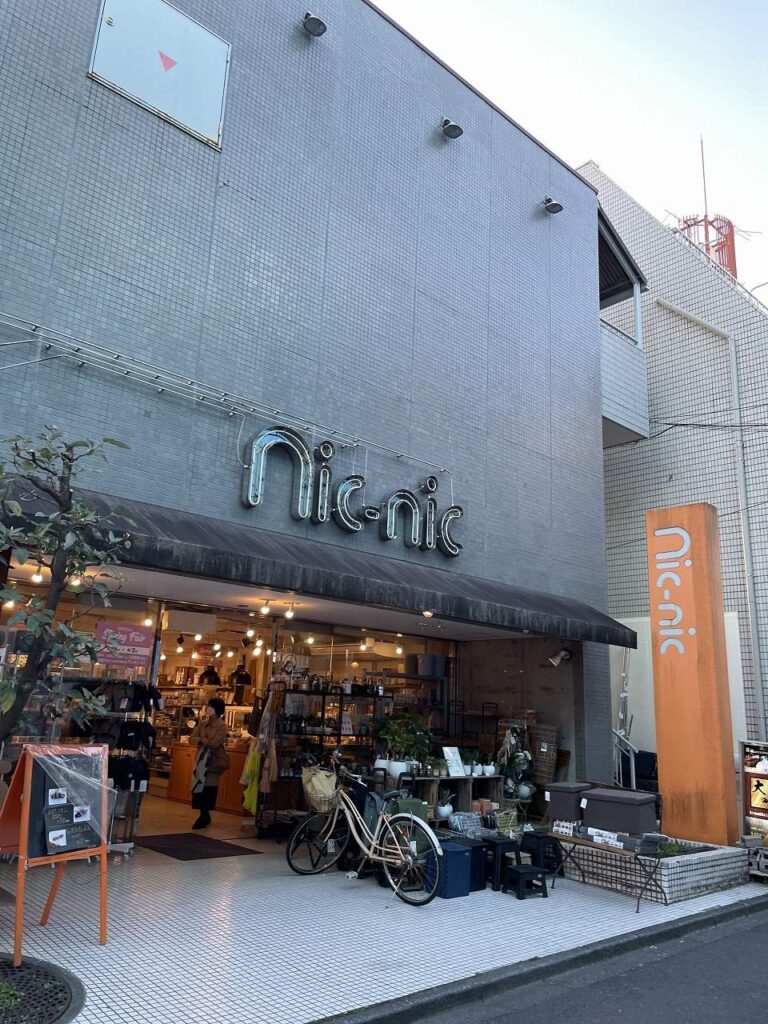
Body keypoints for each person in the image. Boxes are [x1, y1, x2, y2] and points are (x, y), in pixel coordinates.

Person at [189, 698, 229, 829]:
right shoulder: (202, 723)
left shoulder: (221, 726)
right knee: (198, 786)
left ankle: (204, 815)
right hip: (201, 760)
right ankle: (204, 814)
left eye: (211, 707)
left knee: (209, 787)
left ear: (217, 710)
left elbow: (215, 743)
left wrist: (201, 740)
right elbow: (191, 739)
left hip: (213, 761)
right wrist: (204, 740)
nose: (208, 709)